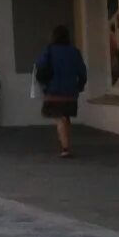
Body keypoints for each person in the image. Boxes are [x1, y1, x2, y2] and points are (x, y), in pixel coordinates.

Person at [34, 25, 87, 159]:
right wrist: (79, 86)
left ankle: (65, 147)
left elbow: (40, 68)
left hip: (54, 91)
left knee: (60, 119)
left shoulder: (49, 51)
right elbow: (82, 72)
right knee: (65, 117)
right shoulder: (75, 52)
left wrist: (44, 86)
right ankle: (66, 143)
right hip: (70, 93)